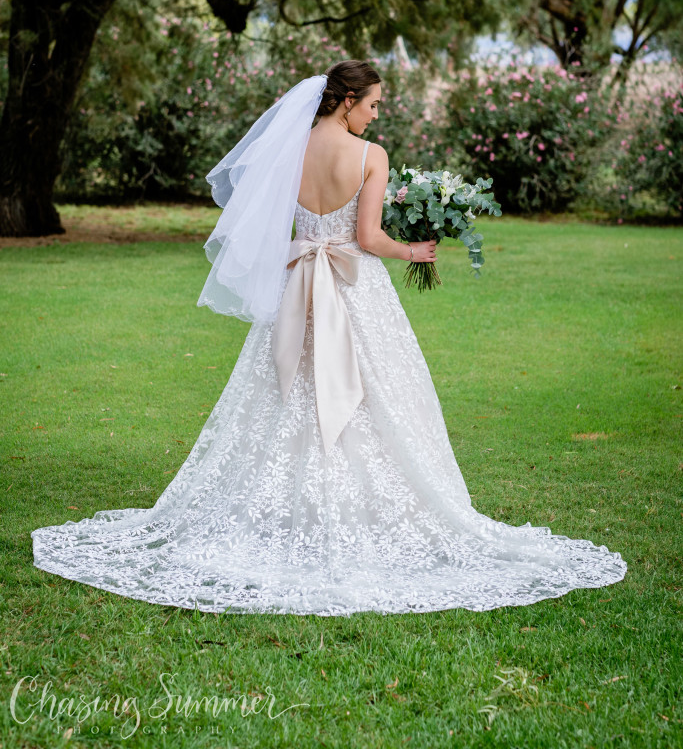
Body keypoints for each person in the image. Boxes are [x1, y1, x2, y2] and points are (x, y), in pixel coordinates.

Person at [31, 60, 627, 615]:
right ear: (346, 102)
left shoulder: (289, 148)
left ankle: (285, 506)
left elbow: (278, 222)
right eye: (372, 104)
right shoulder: (371, 155)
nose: (376, 115)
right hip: (352, 290)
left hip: (297, 286)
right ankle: (360, 509)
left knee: (286, 391)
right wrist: (414, 251)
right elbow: (367, 238)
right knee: (374, 394)